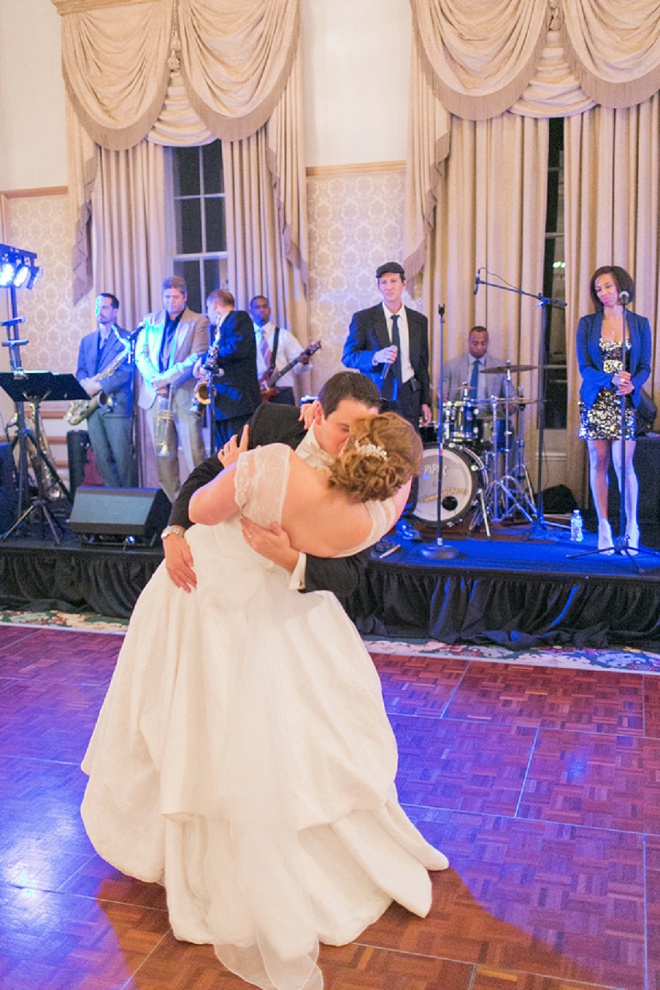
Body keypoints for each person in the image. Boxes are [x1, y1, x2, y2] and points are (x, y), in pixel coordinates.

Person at [80, 411, 449, 990]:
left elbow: (343, 573)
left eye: (356, 429)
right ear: (318, 413)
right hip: (215, 597)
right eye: (337, 423)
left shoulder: (299, 470)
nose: (340, 437)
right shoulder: (322, 464)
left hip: (251, 611)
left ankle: (241, 865)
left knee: (251, 735)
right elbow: (197, 484)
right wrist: (173, 531)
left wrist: (266, 520)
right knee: (205, 727)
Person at [161, 371, 382, 600]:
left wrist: (288, 557)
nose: (353, 443)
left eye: (363, 432)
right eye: (344, 429)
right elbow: (206, 473)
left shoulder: (371, 469)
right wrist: (175, 530)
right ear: (318, 412)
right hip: (222, 563)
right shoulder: (273, 420)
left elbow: (350, 574)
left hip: (290, 592)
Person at [577, 265, 652, 551]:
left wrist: (632, 384)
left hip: (624, 400)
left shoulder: (640, 322)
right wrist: (609, 378)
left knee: (623, 463)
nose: (603, 293)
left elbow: (644, 366)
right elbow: (585, 367)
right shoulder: (587, 323)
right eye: (598, 289)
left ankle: (631, 525)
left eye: (607, 286)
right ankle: (604, 527)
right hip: (597, 399)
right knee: (599, 462)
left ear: (621, 287)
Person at [136, 276, 210, 501]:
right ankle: (174, 504)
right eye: (166, 297)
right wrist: (154, 380)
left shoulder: (199, 321)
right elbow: (141, 354)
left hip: (184, 393)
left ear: (185, 297)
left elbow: (196, 356)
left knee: (194, 450)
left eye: (175, 297)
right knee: (164, 453)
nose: (170, 301)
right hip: (154, 394)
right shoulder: (150, 320)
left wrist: (166, 379)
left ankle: (201, 500)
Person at [342, 262, 432, 434]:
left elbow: (422, 365)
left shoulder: (418, 321)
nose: (389, 287)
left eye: (393, 281)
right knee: (377, 448)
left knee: (408, 450)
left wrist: (425, 402)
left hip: (410, 396)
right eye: (383, 282)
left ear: (404, 284)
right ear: (378, 286)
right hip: (377, 396)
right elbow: (348, 356)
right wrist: (376, 356)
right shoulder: (364, 318)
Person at [75, 293, 137, 488]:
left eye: (104, 307)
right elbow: (81, 369)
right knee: (102, 458)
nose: (99, 311)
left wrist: (100, 385)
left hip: (117, 406)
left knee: (122, 459)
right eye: (97, 307)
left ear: (115, 311)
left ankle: (129, 505)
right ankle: (114, 504)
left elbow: (127, 372)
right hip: (93, 408)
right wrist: (85, 383)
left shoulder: (127, 339)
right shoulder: (87, 340)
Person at [201, 289, 261, 447]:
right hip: (224, 403)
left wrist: (206, 361)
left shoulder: (238, 317)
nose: (208, 314)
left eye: (208, 309)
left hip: (238, 401)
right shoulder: (219, 329)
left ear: (214, 305)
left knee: (238, 450)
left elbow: (237, 348)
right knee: (224, 453)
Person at [249, 294, 312, 406]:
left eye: (264, 307)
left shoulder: (284, 335)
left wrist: (304, 361)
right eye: (257, 307)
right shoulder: (246, 338)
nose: (261, 310)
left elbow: (299, 368)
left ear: (270, 310)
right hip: (257, 393)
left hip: (283, 393)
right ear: (251, 311)